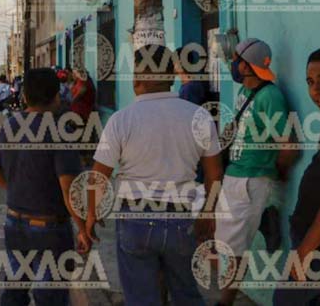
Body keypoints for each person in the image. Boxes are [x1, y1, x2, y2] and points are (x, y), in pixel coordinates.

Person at [86, 45, 223, 306]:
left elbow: (98, 177)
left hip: (135, 219)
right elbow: (214, 174)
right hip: (181, 219)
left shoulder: (121, 120)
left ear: (137, 78)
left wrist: (91, 214)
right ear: (171, 76)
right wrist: (208, 213)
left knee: (141, 298)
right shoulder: (199, 116)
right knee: (186, 294)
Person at [0, 68, 91, 306]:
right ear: (56, 96)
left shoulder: (9, 124)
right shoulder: (60, 130)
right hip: (49, 229)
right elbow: (68, 186)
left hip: (15, 224)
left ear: (24, 97)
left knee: (14, 292)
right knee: (49, 296)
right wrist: (83, 228)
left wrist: (15, 189)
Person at [216, 38, 299, 305]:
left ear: (246, 66)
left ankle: (224, 301)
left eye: (236, 59)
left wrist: (275, 176)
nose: (233, 63)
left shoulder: (270, 96)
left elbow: (288, 144)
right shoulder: (246, 92)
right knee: (222, 244)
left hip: (252, 180)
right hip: (235, 175)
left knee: (235, 249)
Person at [273, 47, 320, 305]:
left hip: (319, 245)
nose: (317, 90)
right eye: (310, 82)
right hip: (308, 238)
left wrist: (307, 248)